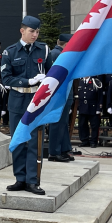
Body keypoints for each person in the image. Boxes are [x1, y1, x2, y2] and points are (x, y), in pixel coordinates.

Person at [0, 15, 49, 195]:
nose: (35, 35)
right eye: (31, 31)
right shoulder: (10, 52)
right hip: (18, 100)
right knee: (19, 140)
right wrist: (29, 81)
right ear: (22, 31)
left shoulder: (43, 50)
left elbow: (51, 74)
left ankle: (33, 181)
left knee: (35, 142)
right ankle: (20, 178)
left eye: (37, 31)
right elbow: (6, 79)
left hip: (36, 102)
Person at [46, 33, 75, 162]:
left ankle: (63, 149)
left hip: (65, 93)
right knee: (57, 123)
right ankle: (54, 152)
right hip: (59, 94)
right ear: (66, 43)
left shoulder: (63, 53)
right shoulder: (56, 54)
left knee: (63, 123)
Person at [77, 76, 104, 148]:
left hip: (93, 107)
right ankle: (84, 140)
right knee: (82, 125)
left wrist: (99, 108)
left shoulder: (96, 82)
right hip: (83, 107)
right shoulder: (80, 81)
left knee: (94, 125)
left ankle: (93, 141)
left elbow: (100, 96)